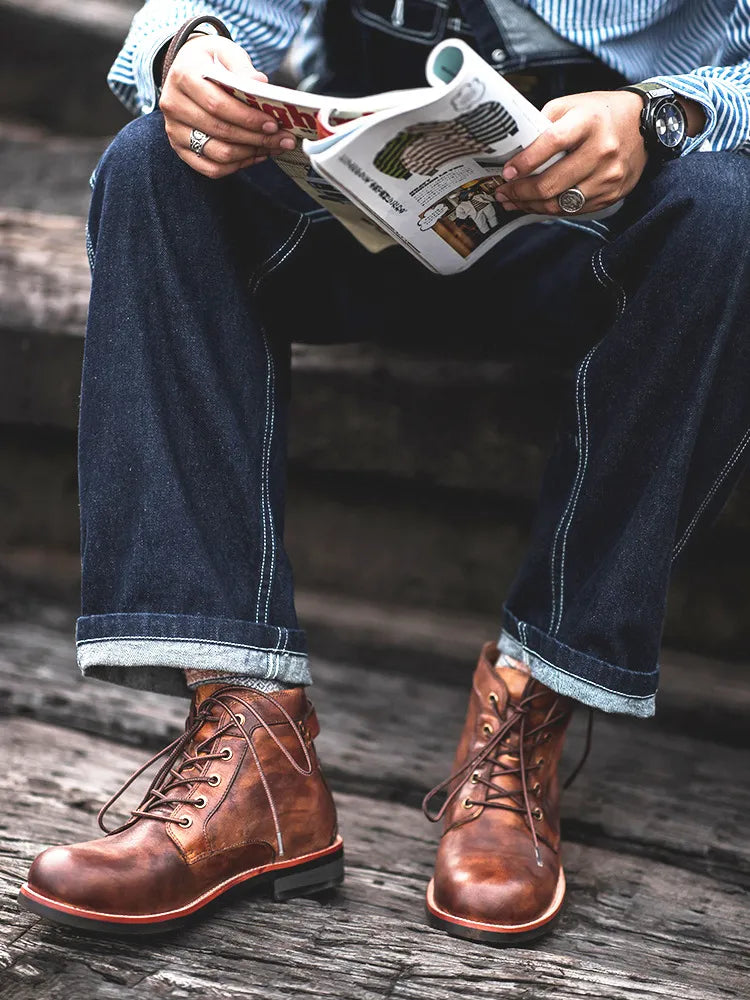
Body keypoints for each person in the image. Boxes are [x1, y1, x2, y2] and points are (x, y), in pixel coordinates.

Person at [17, 0, 750, 945]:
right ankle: (250, 742)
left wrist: (665, 119)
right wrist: (186, 48)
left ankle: (530, 704)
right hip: (359, 188)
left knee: (735, 217)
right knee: (151, 161)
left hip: (610, 209)